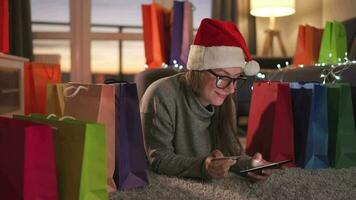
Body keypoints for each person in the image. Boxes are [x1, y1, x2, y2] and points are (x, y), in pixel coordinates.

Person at [140, 18, 270, 181]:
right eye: (223, 77)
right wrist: (203, 167)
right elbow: (158, 159)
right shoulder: (160, 94)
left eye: (236, 78)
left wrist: (250, 165)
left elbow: (230, 155)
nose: (231, 89)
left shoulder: (224, 96)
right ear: (199, 70)